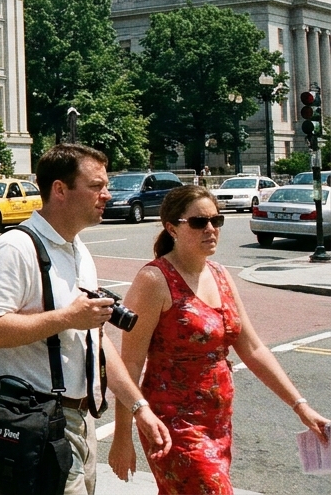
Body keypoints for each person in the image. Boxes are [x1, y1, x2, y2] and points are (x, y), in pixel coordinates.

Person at [0, 144, 172, 495]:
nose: (107, 195)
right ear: (60, 190)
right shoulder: (16, 248)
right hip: (36, 423)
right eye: (96, 186)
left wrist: (139, 407)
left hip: (80, 421)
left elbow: (95, 339)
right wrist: (66, 317)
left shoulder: (78, 249)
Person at [109, 185, 330, 493]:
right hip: (174, 423)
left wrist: (300, 405)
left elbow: (252, 349)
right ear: (171, 227)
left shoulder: (220, 274)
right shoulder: (154, 281)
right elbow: (129, 364)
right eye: (199, 222)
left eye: (217, 220)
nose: (211, 229)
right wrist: (123, 438)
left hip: (218, 418)